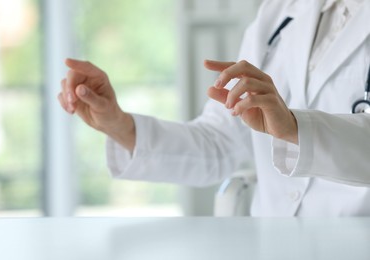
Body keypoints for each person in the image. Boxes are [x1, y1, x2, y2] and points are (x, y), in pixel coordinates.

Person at [58, 0, 370, 216]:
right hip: (274, 242)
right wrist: (119, 125)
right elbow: (218, 144)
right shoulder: (279, 13)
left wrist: (294, 127)